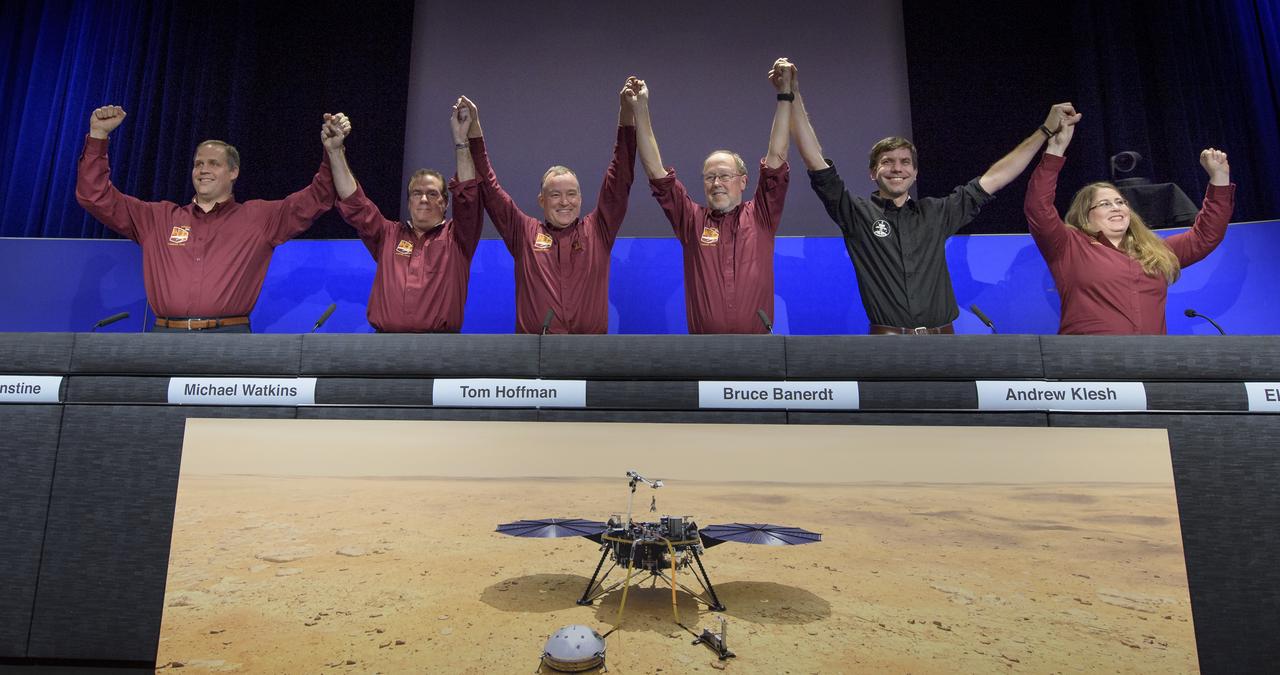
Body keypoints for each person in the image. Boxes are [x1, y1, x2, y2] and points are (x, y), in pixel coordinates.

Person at [789, 67, 1081, 334]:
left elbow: (996, 178)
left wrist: (1044, 131)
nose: (896, 168)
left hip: (945, 344)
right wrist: (793, 94)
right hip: (888, 346)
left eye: (905, 162)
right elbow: (815, 160)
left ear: (915, 173)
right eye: (887, 162)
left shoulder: (937, 213)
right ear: (872, 173)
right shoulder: (856, 214)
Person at [75, 105, 335, 332]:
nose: (203, 170)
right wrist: (98, 136)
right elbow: (94, 196)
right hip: (165, 338)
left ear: (234, 172)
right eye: (198, 164)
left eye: (213, 163)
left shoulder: (259, 218)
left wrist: (332, 152)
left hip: (227, 339)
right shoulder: (157, 218)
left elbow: (317, 197)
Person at [1024, 120, 1234, 335]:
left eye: (1121, 202)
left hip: (1150, 362)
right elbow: (1038, 207)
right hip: (1089, 361)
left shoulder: (1156, 252)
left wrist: (1220, 178)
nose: (1117, 208)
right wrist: (1055, 150)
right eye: (1105, 204)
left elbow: (1205, 236)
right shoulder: (1069, 246)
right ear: (1085, 215)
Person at [629, 60, 792, 334]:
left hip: (759, 352)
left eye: (724, 176)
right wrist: (641, 108)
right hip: (704, 354)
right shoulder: (691, 221)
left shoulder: (763, 214)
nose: (717, 183)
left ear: (743, 181)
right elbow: (655, 170)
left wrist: (785, 94)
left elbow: (777, 155)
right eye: (709, 177)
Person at [458, 87, 637, 334]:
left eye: (571, 194)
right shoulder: (523, 233)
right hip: (534, 359)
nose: (565, 202)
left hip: (589, 357)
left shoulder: (598, 230)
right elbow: (489, 187)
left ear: (581, 199)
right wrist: (474, 131)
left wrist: (626, 113)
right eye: (555, 195)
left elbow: (620, 176)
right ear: (541, 201)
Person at [324, 103, 483, 333]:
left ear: (445, 203)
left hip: (439, 349)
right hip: (384, 347)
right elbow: (354, 202)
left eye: (432, 193)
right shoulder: (387, 235)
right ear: (409, 203)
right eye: (417, 194)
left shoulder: (458, 238)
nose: (424, 199)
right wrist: (335, 152)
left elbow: (468, 194)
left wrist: (461, 141)